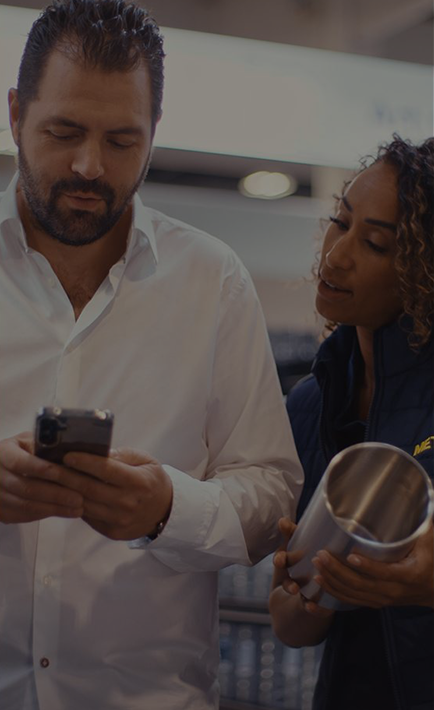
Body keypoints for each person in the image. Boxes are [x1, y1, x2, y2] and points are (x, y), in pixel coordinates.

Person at [0, 2, 304, 708]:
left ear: (155, 133)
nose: (88, 165)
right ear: (15, 113)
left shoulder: (214, 280)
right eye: (64, 132)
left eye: (121, 140)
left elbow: (272, 495)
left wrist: (171, 508)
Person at [269, 135, 434, 710]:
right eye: (342, 223)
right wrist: (303, 600)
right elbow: (292, 627)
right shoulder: (311, 404)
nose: (337, 255)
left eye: (376, 243)